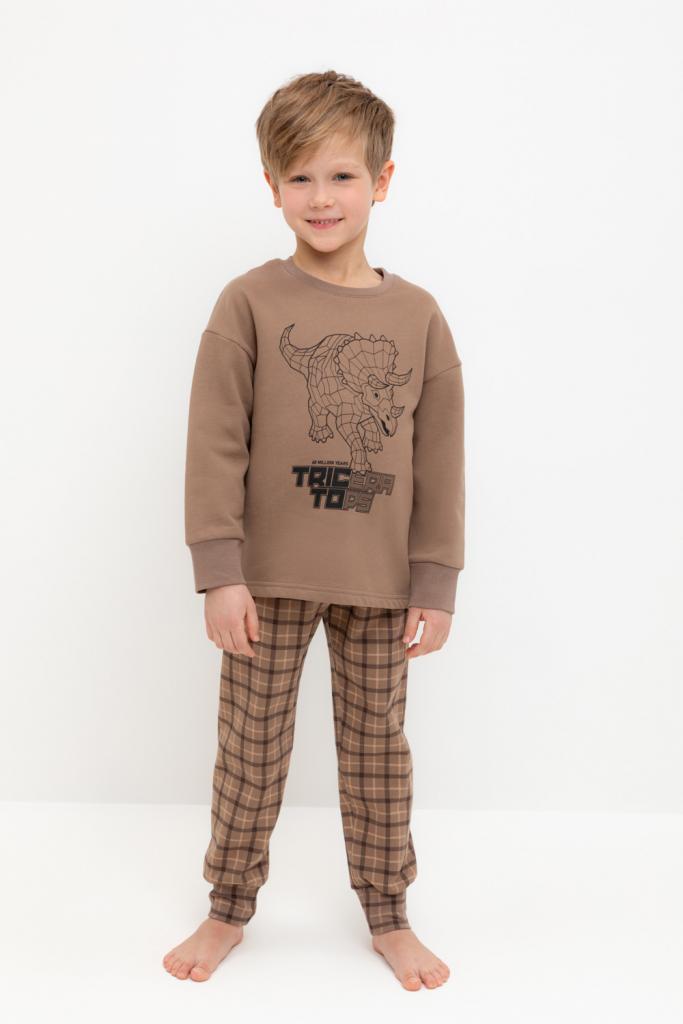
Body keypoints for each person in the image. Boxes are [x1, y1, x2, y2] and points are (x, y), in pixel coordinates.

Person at [163, 69, 465, 991]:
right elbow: (215, 441)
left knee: (377, 755)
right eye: (299, 177)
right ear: (271, 186)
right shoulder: (247, 303)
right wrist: (220, 570)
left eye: (341, 176)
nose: (321, 197)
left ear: (382, 181)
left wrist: (435, 580)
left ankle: (388, 914)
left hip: (380, 584)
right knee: (249, 754)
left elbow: (440, 458)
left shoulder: (416, 317)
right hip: (266, 579)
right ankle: (227, 907)